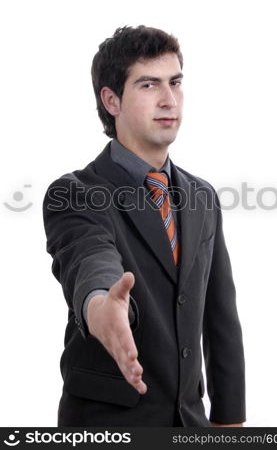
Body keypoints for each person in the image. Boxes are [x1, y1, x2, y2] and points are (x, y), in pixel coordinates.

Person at [43, 25, 246, 427]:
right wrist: (99, 305)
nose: (169, 100)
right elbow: (90, 260)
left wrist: (229, 421)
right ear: (112, 100)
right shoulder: (77, 192)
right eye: (149, 85)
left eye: (175, 83)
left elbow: (220, 316)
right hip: (109, 424)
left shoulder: (202, 196)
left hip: (191, 422)